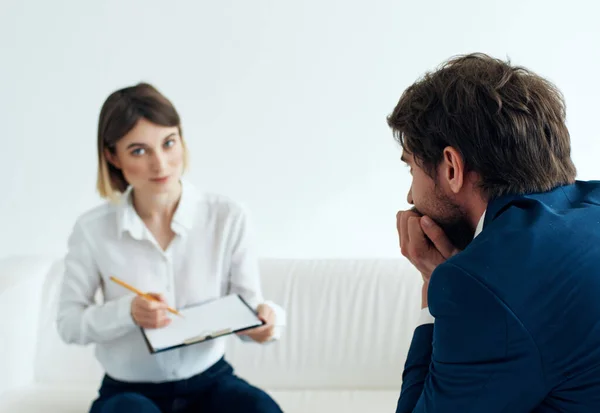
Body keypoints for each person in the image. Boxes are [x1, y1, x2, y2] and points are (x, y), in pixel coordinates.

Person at [388, 53, 600, 412]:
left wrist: (432, 283)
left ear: (452, 167)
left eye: (411, 169)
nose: (410, 196)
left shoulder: (478, 287)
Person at [56, 82, 285, 413]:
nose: (160, 164)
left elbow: (249, 311)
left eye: (168, 143)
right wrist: (126, 313)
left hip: (212, 382)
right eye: (139, 150)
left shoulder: (228, 216)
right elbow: (68, 324)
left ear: (181, 138)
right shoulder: (92, 230)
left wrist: (265, 324)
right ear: (112, 156)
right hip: (128, 393)